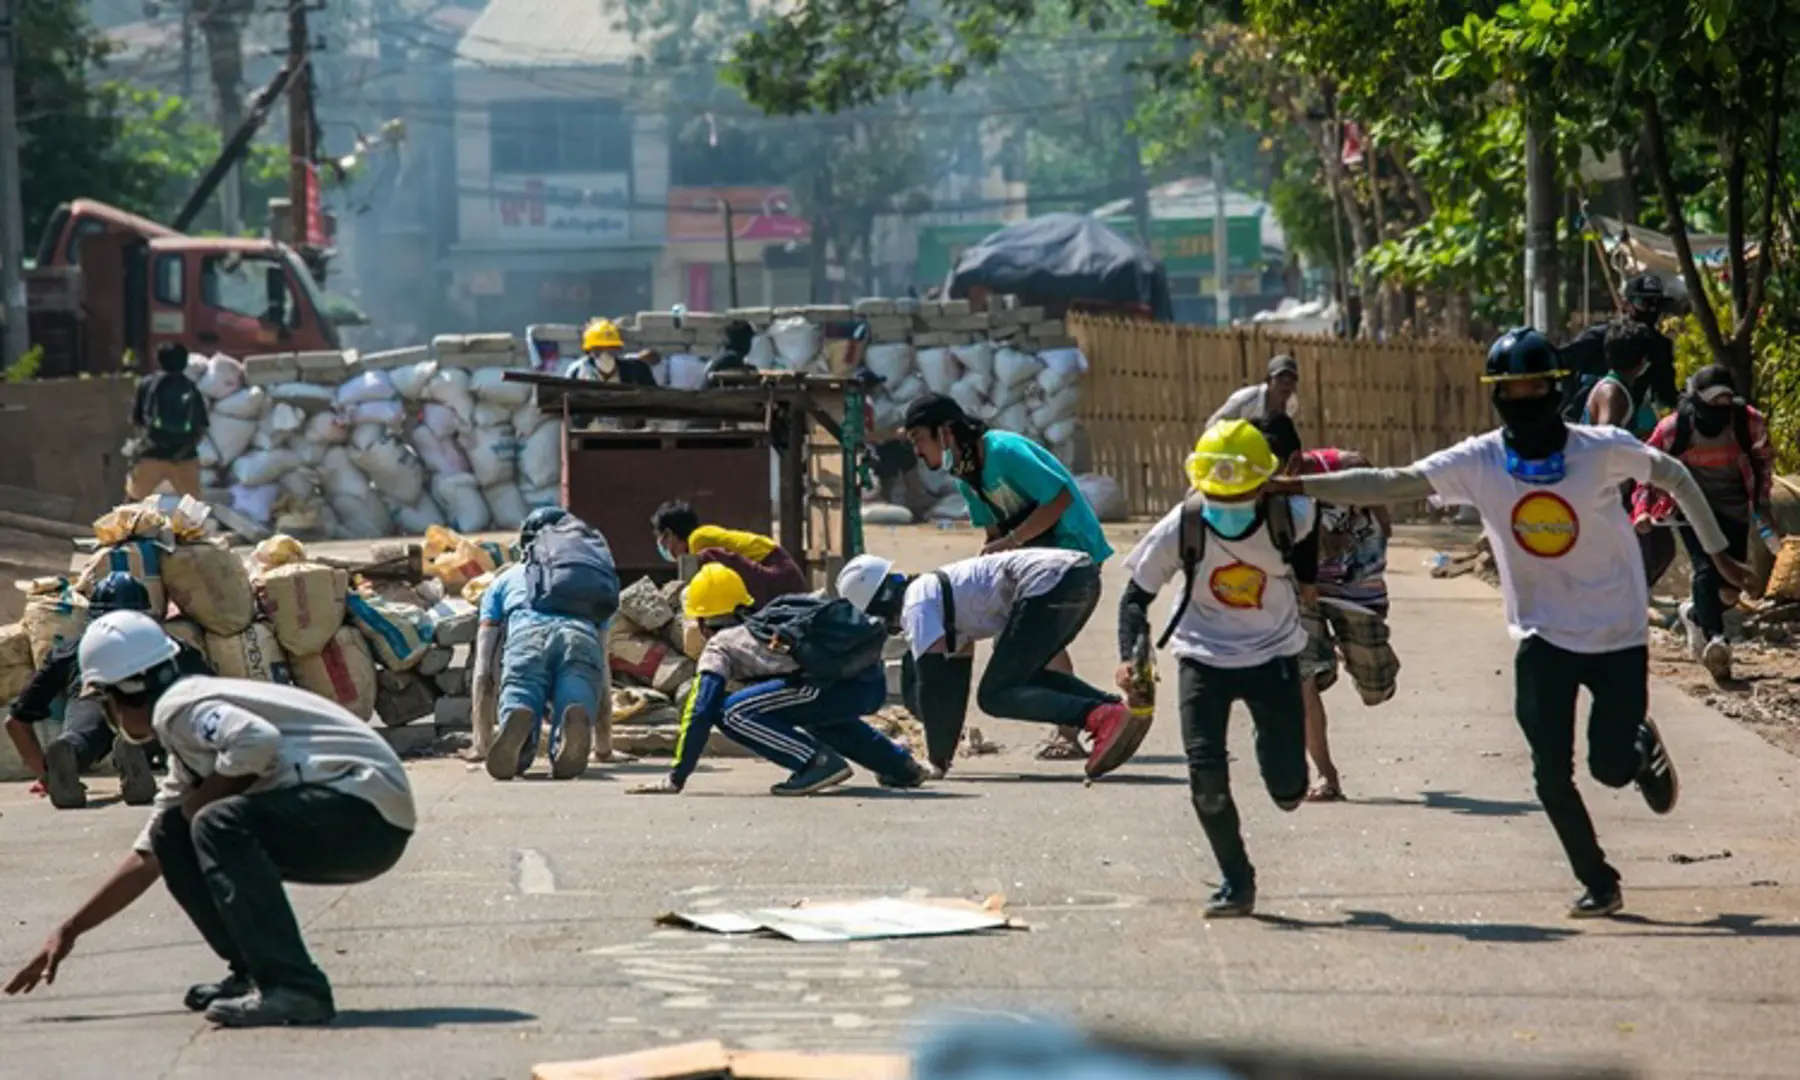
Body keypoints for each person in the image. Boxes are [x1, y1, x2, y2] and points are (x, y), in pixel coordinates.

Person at [1273, 327, 1744, 918]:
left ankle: (1637, 745)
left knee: (1607, 765)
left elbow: (1672, 475)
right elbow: (1392, 483)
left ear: (1555, 389)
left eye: (1534, 387)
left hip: (1616, 631)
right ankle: (1599, 880)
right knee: (1551, 773)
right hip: (1543, 634)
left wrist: (1718, 549)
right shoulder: (1481, 459)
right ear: (1498, 396)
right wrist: (1296, 484)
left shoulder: (1598, 448)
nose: (1523, 399)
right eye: (1511, 389)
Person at [4, 612, 415, 1027]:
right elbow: (150, 853)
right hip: (367, 814)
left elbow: (256, 740)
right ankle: (254, 973)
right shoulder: (188, 736)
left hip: (363, 809)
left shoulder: (180, 708)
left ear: (122, 693)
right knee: (175, 831)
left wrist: (198, 807)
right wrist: (70, 929)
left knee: (214, 820)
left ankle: (294, 987)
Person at [1116, 419, 1321, 917]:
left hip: (1273, 656)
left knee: (1290, 788)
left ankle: (1275, 753)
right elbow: (1134, 597)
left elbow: (1309, 574)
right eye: (1217, 493)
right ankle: (1237, 881)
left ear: (1263, 482)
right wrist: (1131, 654)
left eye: (1239, 494)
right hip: (1201, 658)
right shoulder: (1183, 523)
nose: (1226, 506)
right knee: (1205, 780)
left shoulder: (1293, 517)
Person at [902, 393, 1112, 760]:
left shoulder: (1003, 450)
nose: (918, 451)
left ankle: (1077, 727)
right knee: (1024, 644)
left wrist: (1014, 542)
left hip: (1072, 549)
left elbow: (1059, 498)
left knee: (1037, 645)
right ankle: (1097, 715)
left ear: (945, 431)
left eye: (920, 438)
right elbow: (994, 537)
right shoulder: (967, 475)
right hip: (1033, 560)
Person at [836, 549, 1140, 779]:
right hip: (1077, 576)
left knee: (996, 695)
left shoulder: (917, 604)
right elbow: (954, 684)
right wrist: (942, 757)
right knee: (1024, 676)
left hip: (1050, 582)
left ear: (880, 604)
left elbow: (934, 685)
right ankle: (1115, 711)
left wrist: (932, 760)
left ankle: (1101, 716)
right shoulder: (939, 598)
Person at [631, 564, 927, 796]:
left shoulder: (720, 644)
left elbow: (702, 707)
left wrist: (676, 776)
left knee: (731, 712)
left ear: (702, 621)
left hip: (831, 687)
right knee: (812, 714)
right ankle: (900, 767)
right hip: (867, 683)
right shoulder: (768, 622)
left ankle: (815, 763)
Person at [1255, 415, 1398, 803]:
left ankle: (1348, 656)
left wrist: (1378, 516)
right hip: (1304, 590)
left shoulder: (1341, 469)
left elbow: (1371, 483)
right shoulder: (1257, 492)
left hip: (1357, 588)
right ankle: (1326, 776)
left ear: (1295, 462)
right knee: (1300, 678)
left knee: (1377, 688)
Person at [4, 573, 212, 809]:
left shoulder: (71, 650)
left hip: (91, 698)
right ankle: (139, 748)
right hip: (144, 707)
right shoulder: (169, 647)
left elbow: (16, 722)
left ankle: (70, 748)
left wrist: (46, 776)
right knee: (158, 722)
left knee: (83, 734)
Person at [1634, 365, 1774, 681]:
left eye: (1727, 402)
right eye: (1713, 403)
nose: (1720, 410)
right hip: (1692, 507)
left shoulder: (1748, 422)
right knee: (1706, 567)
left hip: (1734, 507)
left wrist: (1762, 504)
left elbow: (1763, 463)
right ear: (1696, 401)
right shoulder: (1674, 429)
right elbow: (1647, 469)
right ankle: (1717, 641)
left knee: (1728, 588)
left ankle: (1695, 614)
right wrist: (1642, 509)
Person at [472, 507, 621, 781]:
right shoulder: (587, 582)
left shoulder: (503, 581)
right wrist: (604, 749)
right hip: (581, 635)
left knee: (521, 689)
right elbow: (603, 670)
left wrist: (480, 745)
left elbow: (482, 671)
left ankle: (520, 728)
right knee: (577, 690)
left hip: (528, 636)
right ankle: (570, 726)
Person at [650, 500, 809, 608]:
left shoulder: (698, 541)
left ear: (670, 534)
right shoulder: (700, 538)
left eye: (662, 539)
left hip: (779, 576)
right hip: (780, 575)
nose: (663, 546)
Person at [1561, 274, 1679, 415]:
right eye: (1645, 303)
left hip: (1629, 423)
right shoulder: (1598, 336)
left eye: (1657, 303)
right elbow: (1563, 363)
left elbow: (1665, 395)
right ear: (1625, 304)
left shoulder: (1660, 346)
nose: (1652, 310)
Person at [126, 341, 209, 499]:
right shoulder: (190, 387)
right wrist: (185, 446)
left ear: (159, 360)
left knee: (132, 505)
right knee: (193, 508)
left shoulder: (147, 384)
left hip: (152, 454)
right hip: (184, 456)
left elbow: (136, 420)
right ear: (185, 363)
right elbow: (202, 425)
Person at [1206, 354, 1301, 429]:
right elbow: (1213, 425)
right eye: (1281, 380)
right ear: (1268, 380)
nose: (1286, 385)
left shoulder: (1291, 405)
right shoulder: (1246, 399)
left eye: (1291, 381)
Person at [564, 318, 655, 386]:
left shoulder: (637, 370)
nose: (605, 355)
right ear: (589, 352)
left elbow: (655, 399)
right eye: (598, 351)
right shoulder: (577, 372)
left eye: (611, 350)